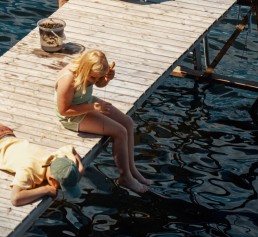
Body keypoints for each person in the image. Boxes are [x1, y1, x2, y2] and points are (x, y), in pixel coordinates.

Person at [54, 49, 150, 194]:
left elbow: (98, 84)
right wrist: (92, 107)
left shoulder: (88, 73)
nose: (94, 80)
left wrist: (106, 79)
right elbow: (64, 110)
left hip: (87, 103)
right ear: (85, 68)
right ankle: (125, 177)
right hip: (73, 116)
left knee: (128, 123)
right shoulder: (68, 80)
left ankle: (132, 170)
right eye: (93, 77)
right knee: (120, 132)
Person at [0, 124, 84, 207]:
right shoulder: (28, 170)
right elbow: (15, 199)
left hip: (5, 133)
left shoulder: (58, 158)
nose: (60, 189)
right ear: (52, 179)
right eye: (60, 187)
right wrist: (46, 189)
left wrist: (79, 170)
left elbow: (71, 149)